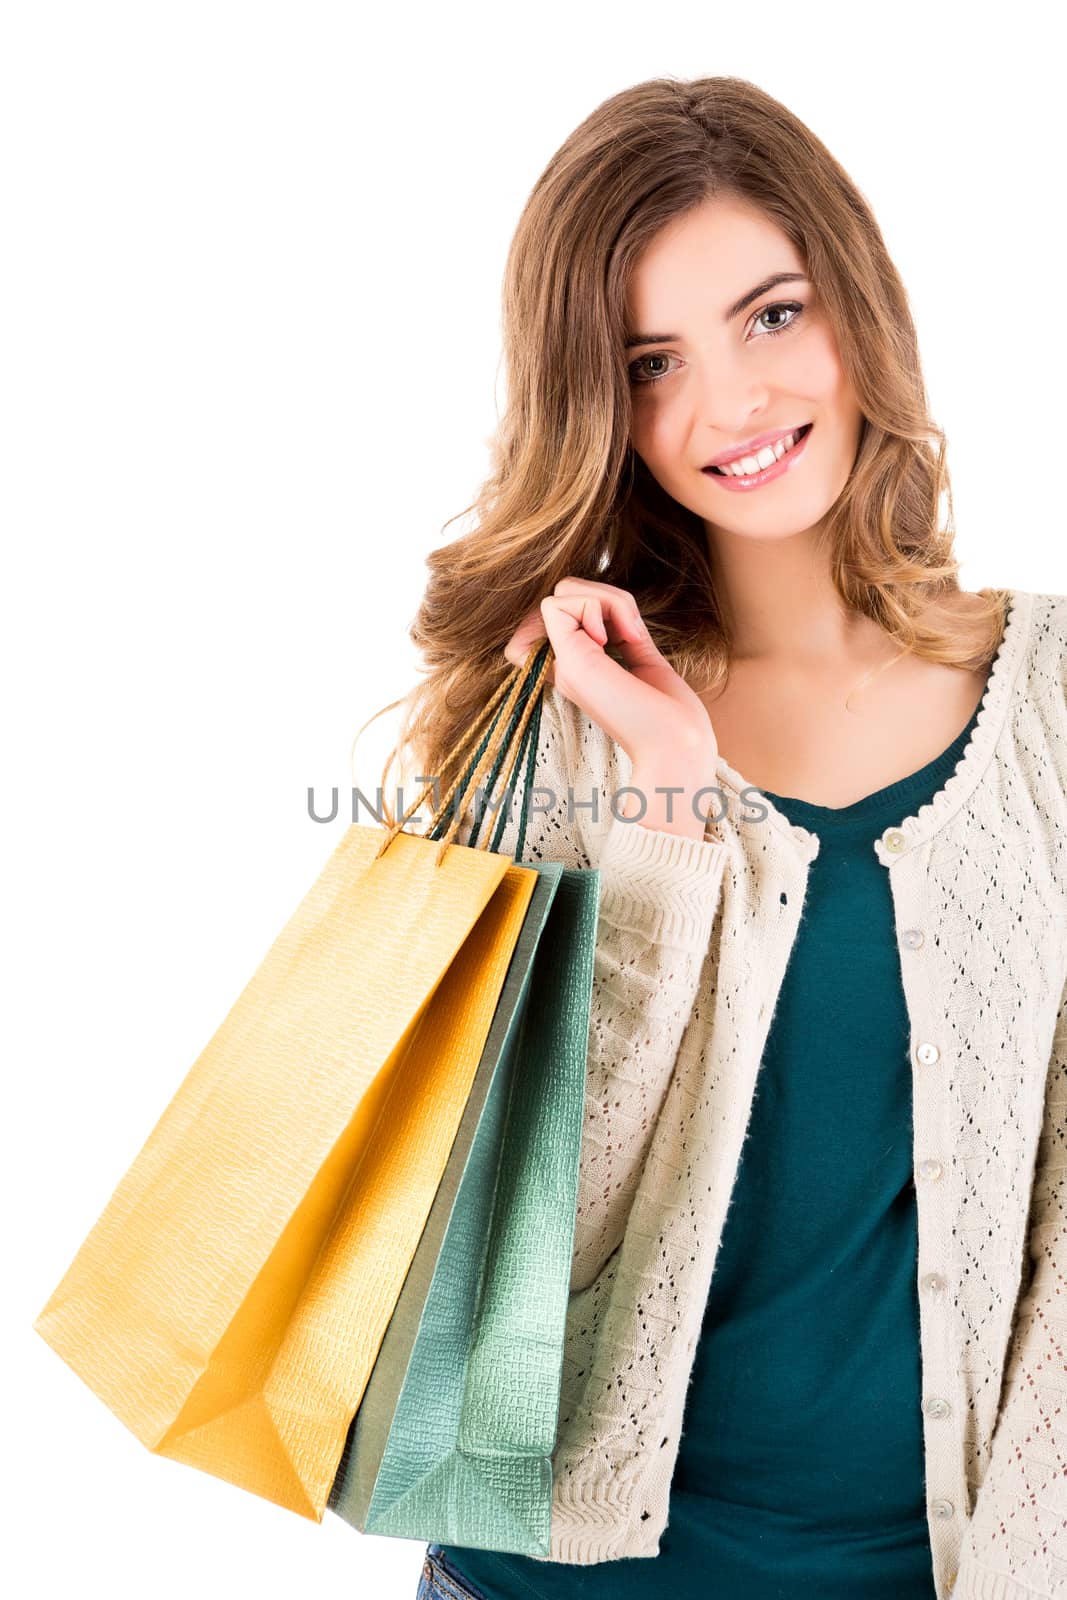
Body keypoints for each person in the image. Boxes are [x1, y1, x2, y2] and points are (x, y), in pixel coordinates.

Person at [380, 74, 1066, 1600]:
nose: (732, 406)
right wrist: (673, 812)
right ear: (600, 406)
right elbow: (511, 1243)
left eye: (770, 316)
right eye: (651, 362)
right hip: (551, 1581)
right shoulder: (558, 718)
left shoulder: (1054, 698)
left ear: (856, 301)